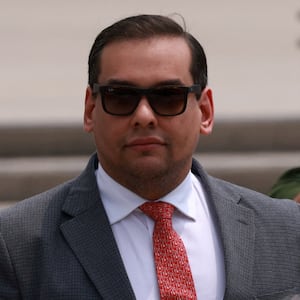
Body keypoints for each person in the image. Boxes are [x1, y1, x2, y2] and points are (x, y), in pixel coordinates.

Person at [0, 14, 300, 300]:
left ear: (205, 112)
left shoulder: (284, 228)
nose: (144, 116)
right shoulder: (17, 244)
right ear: (91, 109)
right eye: (121, 96)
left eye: (168, 96)